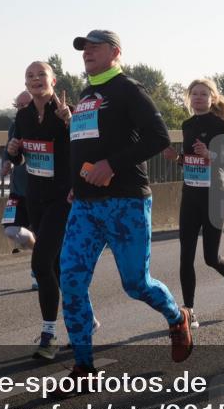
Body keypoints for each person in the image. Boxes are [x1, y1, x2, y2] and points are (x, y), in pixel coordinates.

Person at [60, 30, 192, 380]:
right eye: (83, 48)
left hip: (126, 203)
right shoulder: (86, 93)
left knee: (135, 284)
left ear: (115, 52)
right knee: (70, 279)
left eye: (94, 46)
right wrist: (76, 184)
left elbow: (159, 138)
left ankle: (177, 318)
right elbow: (84, 143)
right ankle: (83, 366)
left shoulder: (129, 90)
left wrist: (112, 165)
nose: (87, 51)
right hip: (86, 206)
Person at [162, 78, 224, 329]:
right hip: (190, 196)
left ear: (212, 98)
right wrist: (176, 158)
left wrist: (211, 154)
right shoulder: (187, 125)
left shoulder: (219, 125)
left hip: (215, 196)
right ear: (189, 98)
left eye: (203, 94)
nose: (198, 97)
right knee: (185, 256)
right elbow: (190, 161)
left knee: (210, 257)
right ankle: (189, 310)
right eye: (194, 94)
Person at [6, 63, 73, 360]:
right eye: (30, 76)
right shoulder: (22, 116)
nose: (35, 80)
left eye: (41, 75)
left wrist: (71, 123)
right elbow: (21, 157)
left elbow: (86, 149)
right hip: (36, 198)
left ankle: (49, 335)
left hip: (63, 199)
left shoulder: (66, 114)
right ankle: (83, 321)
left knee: (41, 261)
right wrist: (13, 150)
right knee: (57, 267)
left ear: (53, 81)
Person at [1, 92, 36, 287]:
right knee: (10, 230)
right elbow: (8, 151)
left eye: (26, 104)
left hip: (40, 190)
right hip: (17, 190)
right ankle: (36, 251)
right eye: (19, 105)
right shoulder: (14, 127)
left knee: (44, 233)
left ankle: (38, 270)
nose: (22, 108)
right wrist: (6, 164)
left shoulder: (44, 124)